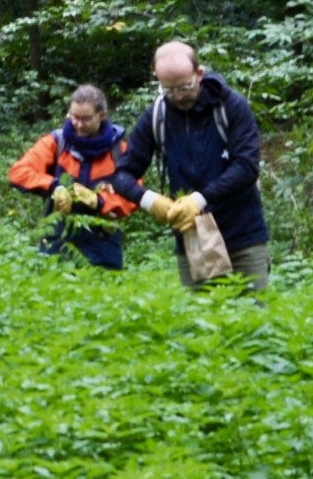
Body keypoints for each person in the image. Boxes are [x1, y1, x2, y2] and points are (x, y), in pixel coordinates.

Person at [107, 41, 269, 291]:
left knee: (253, 320)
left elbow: (247, 167)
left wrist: (199, 199)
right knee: (202, 321)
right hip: (193, 239)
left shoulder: (231, 107)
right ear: (157, 80)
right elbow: (122, 175)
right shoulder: (156, 115)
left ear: (199, 74)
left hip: (242, 235)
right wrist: (151, 201)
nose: (179, 96)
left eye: (185, 86)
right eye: (169, 90)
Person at [6, 84, 136, 269]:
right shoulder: (56, 143)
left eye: (86, 119)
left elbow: (133, 194)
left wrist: (99, 201)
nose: (78, 124)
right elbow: (18, 173)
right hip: (56, 240)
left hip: (103, 244)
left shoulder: (119, 151)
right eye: (74, 117)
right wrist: (54, 186)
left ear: (102, 115)